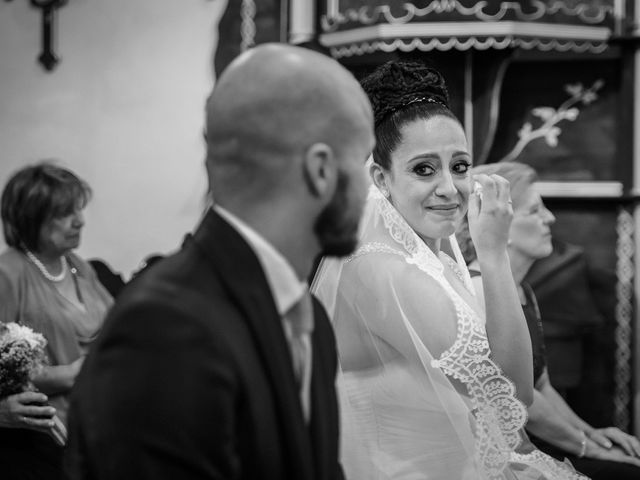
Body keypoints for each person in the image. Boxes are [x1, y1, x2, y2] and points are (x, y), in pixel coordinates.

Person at [65, 43, 374, 480]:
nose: (370, 192)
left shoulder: (312, 323)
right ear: (321, 170)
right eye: (364, 162)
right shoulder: (167, 329)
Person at [311, 60, 588, 479]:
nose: (449, 187)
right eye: (424, 169)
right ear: (381, 179)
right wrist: (492, 255)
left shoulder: (428, 258)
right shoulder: (381, 269)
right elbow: (512, 399)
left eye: (459, 167)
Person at [460, 161, 640, 479]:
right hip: (506, 450)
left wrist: (595, 434)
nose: (550, 219)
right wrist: (587, 447)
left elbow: (541, 383)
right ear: (500, 225)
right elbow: (518, 397)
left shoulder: (523, 290)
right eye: (534, 212)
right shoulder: (477, 288)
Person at [0, 161, 113, 480]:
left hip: (95, 423)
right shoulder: (8, 274)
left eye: (78, 209)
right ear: (31, 219)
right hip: (43, 442)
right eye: (65, 213)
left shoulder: (77, 265)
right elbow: (6, 368)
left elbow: (115, 321)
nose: (80, 221)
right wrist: (69, 375)